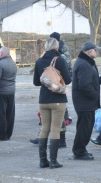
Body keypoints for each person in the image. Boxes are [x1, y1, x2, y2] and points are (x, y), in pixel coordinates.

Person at [33, 37, 72, 168]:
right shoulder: (59, 60)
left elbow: (36, 82)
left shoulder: (39, 61)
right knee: (55, 129)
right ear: (57, 48)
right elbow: (68, 79)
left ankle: (43, 160)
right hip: (57, 100)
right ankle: (53, 161)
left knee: (44, 128)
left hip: (43, 99)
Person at [71, 42, 101, 160]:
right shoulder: (85, 64)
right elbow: (84, 85)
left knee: (85, 127)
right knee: (84, 128)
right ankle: (79, 151)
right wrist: (95, 95)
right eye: (95, 50)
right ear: (89, 52)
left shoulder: (86, 62)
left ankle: (80, 149)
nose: (97, 52)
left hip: (85, 102)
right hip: (84, 102)